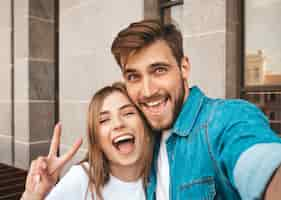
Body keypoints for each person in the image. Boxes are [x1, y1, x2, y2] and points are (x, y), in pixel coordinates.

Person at [111, 19, 281, 199]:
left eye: (159, 70)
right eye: (133, 76)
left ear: (184, 67)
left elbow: (262, 163)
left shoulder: (224, 119)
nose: (147, 91)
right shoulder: (145, 140)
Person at [21, 83, 154, 200]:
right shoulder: (82, 179)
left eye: (128, 113)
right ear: (97, 140)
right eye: (104, 120)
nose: (118, 124)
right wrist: (32, 196)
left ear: (144, 124)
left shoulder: (163, 171)